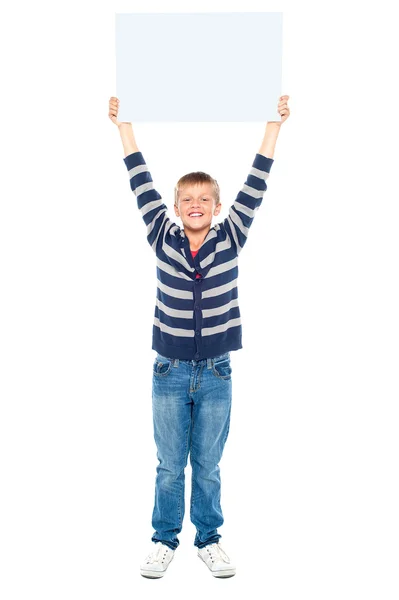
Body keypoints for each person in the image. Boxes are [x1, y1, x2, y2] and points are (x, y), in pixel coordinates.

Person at [108, 95, 290, 578]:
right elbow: (138, 178)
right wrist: (124, 124)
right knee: (170, 466)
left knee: (207, 466)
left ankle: (208, 539)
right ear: (175, 207)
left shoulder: (231, 235)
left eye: (203, 199)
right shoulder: (161, 234)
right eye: (186, 199)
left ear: (216, 205)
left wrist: (273, 124)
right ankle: (163, 540)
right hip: (168, 371)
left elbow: (259, 179)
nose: (195, 205)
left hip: (216, 371)